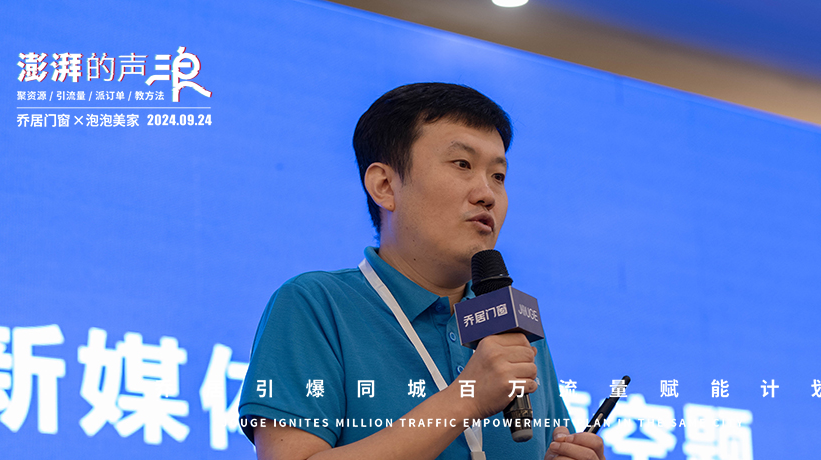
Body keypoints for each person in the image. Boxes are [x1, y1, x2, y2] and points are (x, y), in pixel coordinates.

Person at [238, 83, 605, 460]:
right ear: (385, 186)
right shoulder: (316, 305)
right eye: (462, 164)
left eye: (498, 176)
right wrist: (466, 399)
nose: (487, 194)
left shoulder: (513, 329)